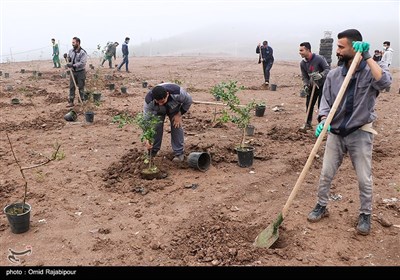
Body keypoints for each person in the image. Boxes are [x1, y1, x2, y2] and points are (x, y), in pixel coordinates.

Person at [308, 29, 392, 236]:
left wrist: (368, 57)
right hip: (336, 133)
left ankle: (365, 214)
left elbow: (385, 83)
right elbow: (326, 101)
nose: (337, 50)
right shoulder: (334, 75)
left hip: (359, 132)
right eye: (337, 46)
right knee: (326, 173)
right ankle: (321, 205)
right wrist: (323, 119)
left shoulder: (370, 72)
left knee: (364, 178)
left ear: (355, 48)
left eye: (341, 47)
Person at [143, 83, 193, 162]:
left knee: (176, 125)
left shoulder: (178, 93)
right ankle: (153, 151)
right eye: (158, 102)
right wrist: (147, 138)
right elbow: (146, 120)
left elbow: (189, 101)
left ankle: (179, 153)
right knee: (156, 126)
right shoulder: (149, 101)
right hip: (157, 111)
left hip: (174, 108)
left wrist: (179, 114)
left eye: (162, 101)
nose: (161, 104)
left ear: (167, 94)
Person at [299, 42, 330, 131]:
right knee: (309, 104)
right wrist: (305, 85)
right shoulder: (303, 63)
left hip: (323, 85)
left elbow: (327, 69)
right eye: (299, 50)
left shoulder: (319, 59)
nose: (300, 52)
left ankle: (322, 124)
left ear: (308, 50)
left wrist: (321, 75)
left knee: (322, 105)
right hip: (312, 86)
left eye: (302, 50)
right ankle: (308, 124)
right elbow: (304, 76)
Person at [66, 37, 87, 107]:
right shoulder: (71, 51)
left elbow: (82, 63)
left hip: (80, 72)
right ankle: (71, 101)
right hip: (73, 72)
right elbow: (69, 59)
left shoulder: (82, 52)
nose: (72, 44)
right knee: (72, 87)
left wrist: (73, 65)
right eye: (72, 43)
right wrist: (67, 58)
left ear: (78, 43)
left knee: (81, 86)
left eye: (73, 43)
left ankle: (81, 101)